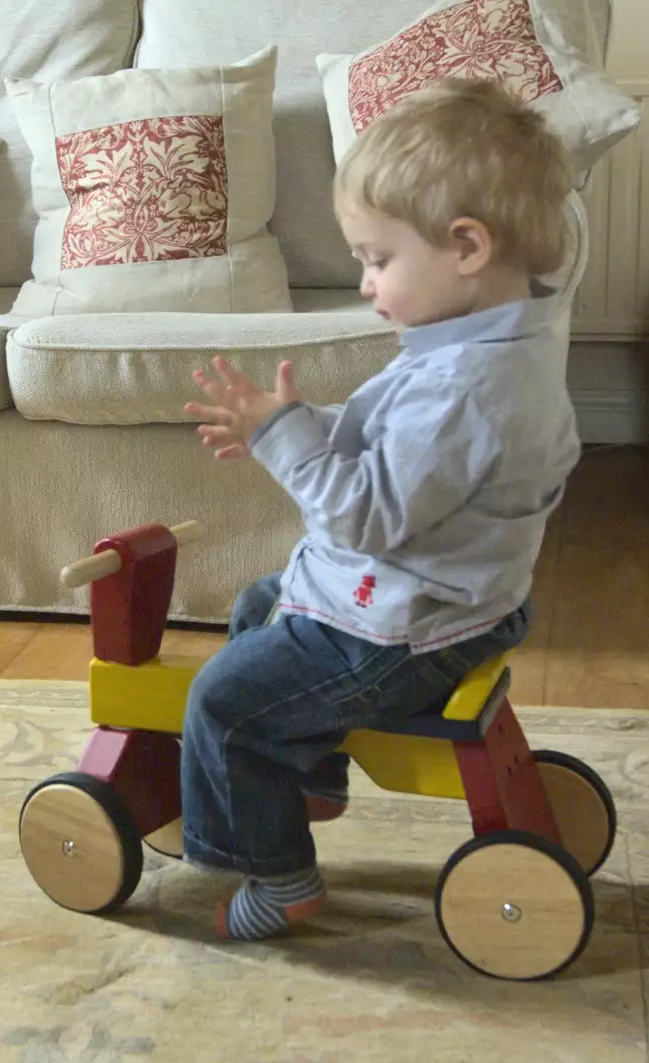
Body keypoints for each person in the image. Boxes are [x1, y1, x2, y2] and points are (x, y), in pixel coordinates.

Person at [178, 78, 582, 940]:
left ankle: (280, 876)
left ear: (466, 246)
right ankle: (313, 772)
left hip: (410, 625)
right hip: (460, 596)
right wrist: (291, 427)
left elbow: (364, 515)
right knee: (262, 602)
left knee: (222, 703)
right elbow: (399, 446)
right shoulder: (499, 342)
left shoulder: (463, 390)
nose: (366, 283)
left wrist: (287, 440)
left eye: (377, 258)